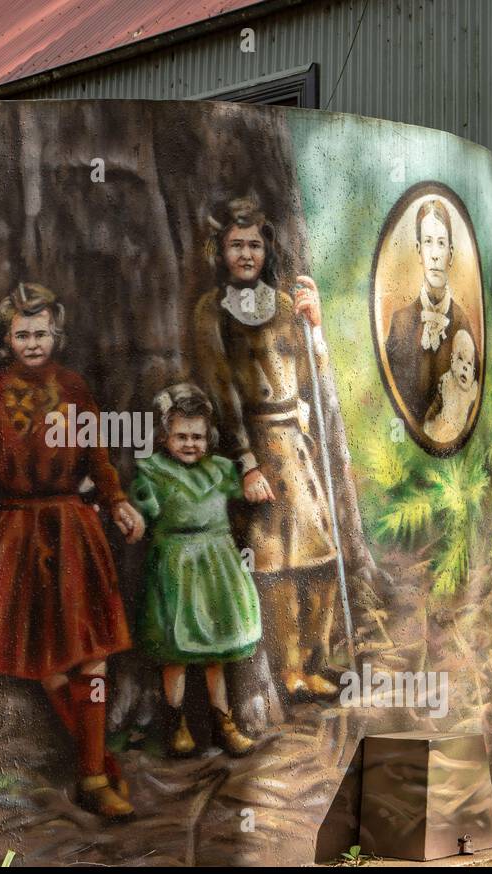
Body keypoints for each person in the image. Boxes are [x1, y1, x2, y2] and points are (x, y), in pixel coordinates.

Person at [0, 281, 145, 822]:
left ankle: (93, 777)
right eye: (21, 333)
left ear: (56, 333)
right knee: (45, 662)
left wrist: (118, 502)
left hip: (76, 530)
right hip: (17, 533)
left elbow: (98, 459)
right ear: (6, 338)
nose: (33, 342)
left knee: (91, 653)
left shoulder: (74, 388)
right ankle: (96, 759)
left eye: (42, 332)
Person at [192, 197, 342, 701]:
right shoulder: (211, 312)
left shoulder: (282, 306)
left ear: (266, 248)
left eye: (254, 244)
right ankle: (286, 669)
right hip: (254, 444)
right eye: (236, 245)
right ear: (221, 251)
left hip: (295, 444)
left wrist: (315, 328)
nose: (246, 254)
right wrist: (246, 464)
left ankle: (317, 660)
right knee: (272, 564)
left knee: (319, 553)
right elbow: (220, 389)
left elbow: (310, 379)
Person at [129, 382, 261, 758]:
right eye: (181, 436)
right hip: (174, 567)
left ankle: (224, 722)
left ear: (210, 437)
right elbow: (143, 508)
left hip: (217, 565)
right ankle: (176, 722)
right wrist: (134, 516)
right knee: (177, 651)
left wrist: (254, 482)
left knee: (215, 650)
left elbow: (243, 497)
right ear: (165, 436)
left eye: (198, 437)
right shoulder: (153, 470)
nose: (191, 444)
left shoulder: (220, 469)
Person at [384, 198, 476, 426]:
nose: (435, 254)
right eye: (428, 242)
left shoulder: (462, 324)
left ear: (451, 253)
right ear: (418, 251)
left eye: (441, 243)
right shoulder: (401, 322)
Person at [423, 328, 478, 445]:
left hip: (460, 433)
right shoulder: (446, 381)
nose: (465, 367)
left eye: (469, 363)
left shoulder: (473, 390)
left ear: (473, 373)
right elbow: (435, 405)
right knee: (431, 428)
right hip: (442, 426)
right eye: (461, 359)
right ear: (452, 361)